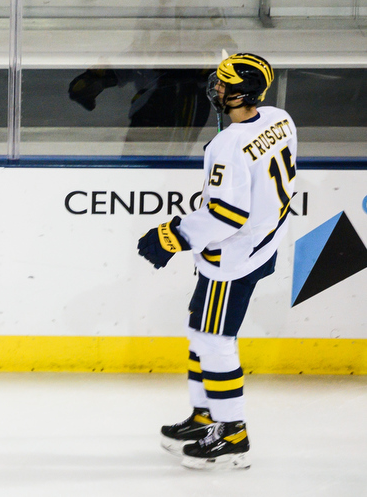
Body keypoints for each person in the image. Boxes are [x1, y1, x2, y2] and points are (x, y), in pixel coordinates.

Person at [137, 53, 295, 470]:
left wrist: (173, 236)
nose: (216, 88)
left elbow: (227, 214)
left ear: (241, 92)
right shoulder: (280, 118)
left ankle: (233, 434)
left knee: (215, 340)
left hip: (233, 258)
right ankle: (205, 415)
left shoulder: (229, 145)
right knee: (199, 330)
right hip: (261, 245)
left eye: (224, 84)